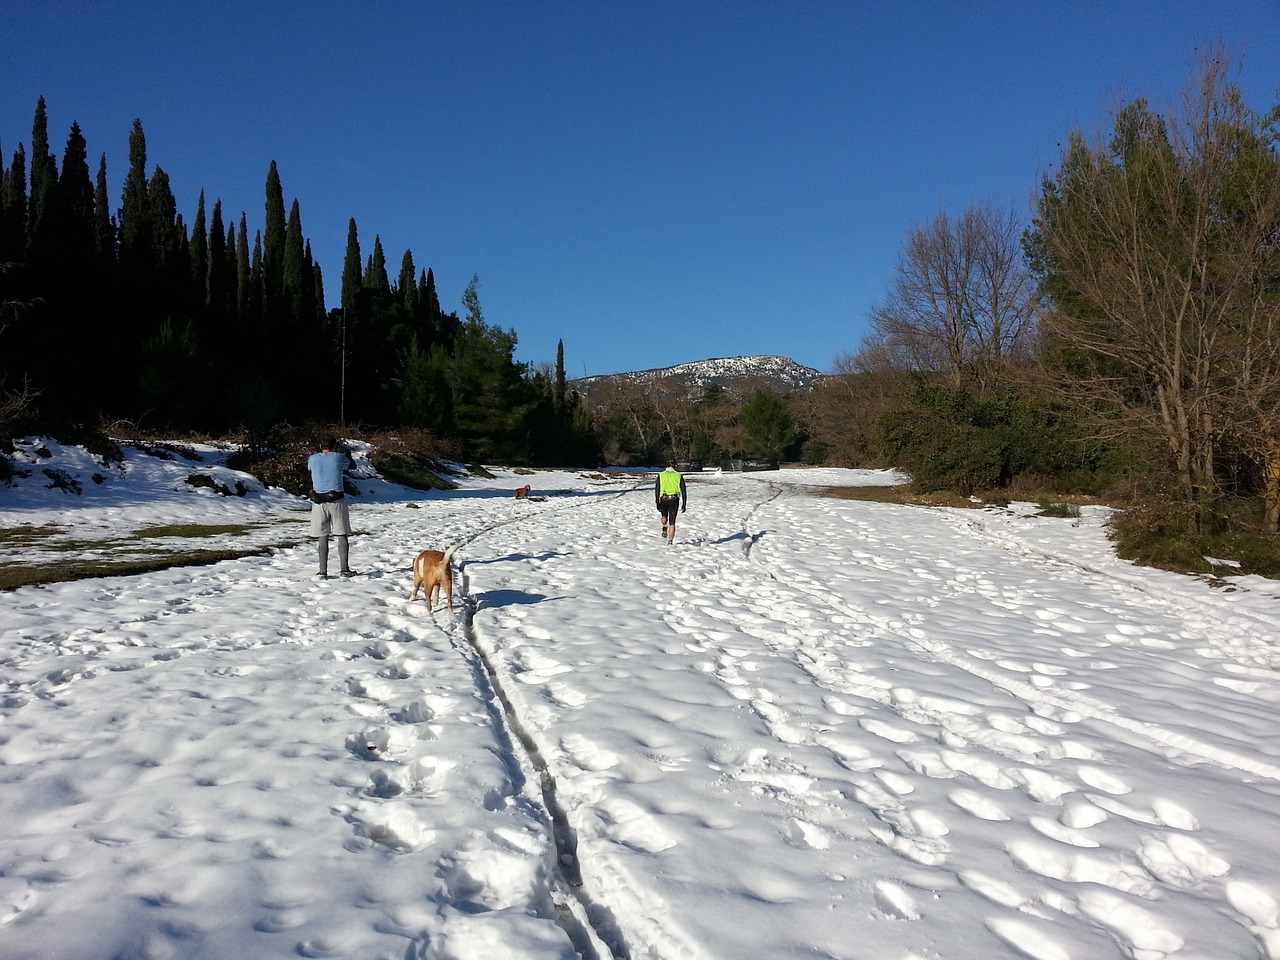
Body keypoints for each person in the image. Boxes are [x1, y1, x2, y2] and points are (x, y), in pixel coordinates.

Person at [307, 435, 356, 579]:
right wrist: (347, 454)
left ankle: (322, 571)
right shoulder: (338, 457)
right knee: (341, 533)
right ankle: (344, 569)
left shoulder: (312, 458)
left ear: (320, 446)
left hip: (318, 500)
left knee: (323, 535)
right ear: (335, 446)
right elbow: (352, 466)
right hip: (336, 499)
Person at [654, 460, 687, 545]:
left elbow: (657, 488)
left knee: (664, 517)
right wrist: (684, 503)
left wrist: (657, 501)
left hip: (664, 499)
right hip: (674, 499)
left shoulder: (661, 475)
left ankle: (664, 525)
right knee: (672, 522)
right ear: (675, 466)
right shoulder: (679, 475)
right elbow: (683, 490)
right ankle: (670, 541)